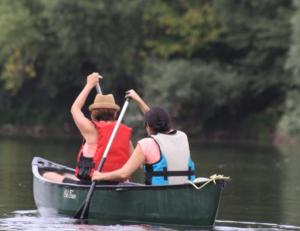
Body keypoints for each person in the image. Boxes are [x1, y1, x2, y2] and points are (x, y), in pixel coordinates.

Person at [43, 72, 133, 183]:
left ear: (93, 113)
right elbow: (134, 161)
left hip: (92, 183)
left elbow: (75, 109)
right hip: (119, 183)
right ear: (115, 114)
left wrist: (89, 85)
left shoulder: (91, 129)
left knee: (48, 175)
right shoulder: (123, 133)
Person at [92, 90, 196, 185]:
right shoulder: (182, 136)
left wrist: (100, 176)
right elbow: (153, 119)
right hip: (185, 191)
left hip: (159, 195)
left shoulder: (146, 144)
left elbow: (123, 174)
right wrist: (138, 100)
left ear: (148, 126)